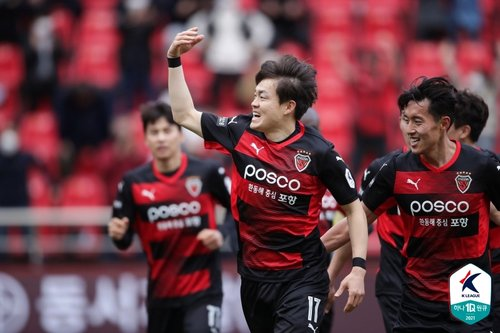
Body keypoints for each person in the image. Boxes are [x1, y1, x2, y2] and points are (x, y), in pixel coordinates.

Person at [167, 27, 368, 332]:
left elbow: (355, 210)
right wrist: (174, 61)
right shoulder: (239, 131)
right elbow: (184, 115)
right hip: (253, 278)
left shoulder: (320, 153)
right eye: (255, 95)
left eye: (262, 97)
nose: (254, 103)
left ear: (289, 107)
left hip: (303, 277)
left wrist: (358, 268)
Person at [322, 77, 500, 332]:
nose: (409, 129)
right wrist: (310, 254)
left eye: (418, 121)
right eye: (405, 120)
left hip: (468, 293)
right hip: (416, 302)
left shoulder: (482, 166)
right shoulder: (394, 169)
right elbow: (356, 221)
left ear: (443, 124)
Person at [108, 101, 231, 333]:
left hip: (203, 291)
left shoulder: (207, 172)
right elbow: (122, 239)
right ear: (145, 139)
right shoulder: (132, 183)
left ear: (180, 135)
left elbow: (239, 209)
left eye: (167, 130)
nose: (161, 138)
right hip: (161, 296)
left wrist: (221, 233)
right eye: (154, 132)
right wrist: (118, 235)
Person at [447, 89, 500, 333]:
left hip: (489, 274)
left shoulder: (490, 166)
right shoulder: (432, 169)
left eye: (446, 122)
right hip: (452, 274)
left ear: (463, 130)